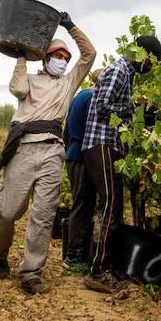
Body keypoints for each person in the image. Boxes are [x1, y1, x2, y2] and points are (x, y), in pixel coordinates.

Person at [0, 12, 95, 294]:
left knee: (44, 214)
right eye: (56, 55)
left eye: (65, 57)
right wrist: (22, 57)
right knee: (8, 212)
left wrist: (70, 26)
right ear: (45, 57)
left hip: (52, 151)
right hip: (23, 150)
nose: (62, 60)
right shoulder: (31, 81)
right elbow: (16, 88)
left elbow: (89, 54)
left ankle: (31, 272)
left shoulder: (68, 83)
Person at [81, 35, 161, 293]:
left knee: (111, 208)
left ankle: (104, 265)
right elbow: (103, 106)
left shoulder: (126, 74)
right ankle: (97, 272)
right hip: (102, 144)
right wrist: (133, 108)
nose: (150, 68)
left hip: (108, 145)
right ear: (143, 54)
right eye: (151, 62)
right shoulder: (118, 71)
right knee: (110, 206)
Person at [62, 69, 101, 268]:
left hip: (73, 154)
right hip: (83, 157)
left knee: (82, 202)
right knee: (83, 204)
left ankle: (76, 253)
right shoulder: (91, 98)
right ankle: (73, 255)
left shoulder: (79, 97)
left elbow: (66, 132)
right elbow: (92, 134)